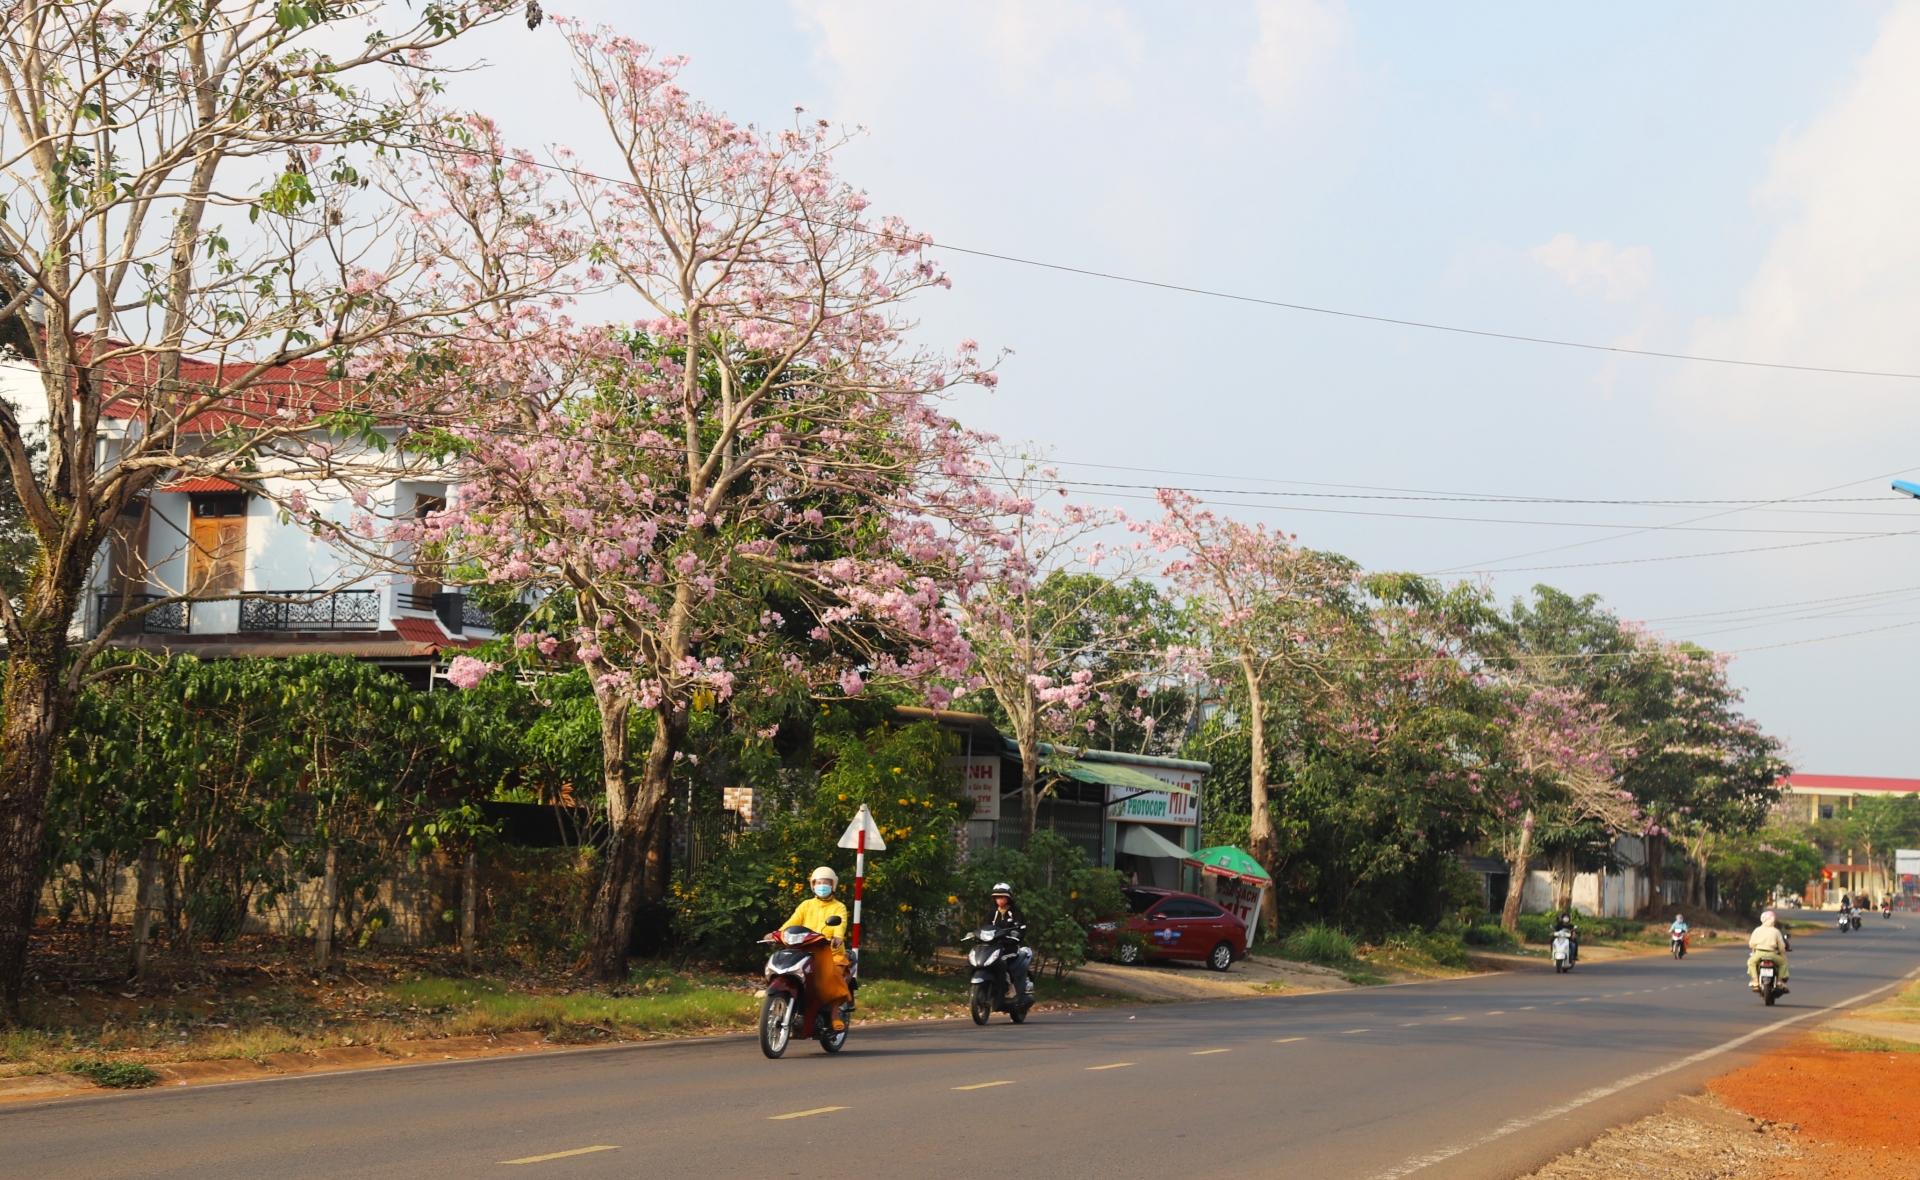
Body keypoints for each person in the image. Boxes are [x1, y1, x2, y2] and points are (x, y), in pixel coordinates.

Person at [781, 866, 853, 1031]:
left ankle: (834, 1015)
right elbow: (792, 922)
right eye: (819, 883)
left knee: (832, 975)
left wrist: (838, 937)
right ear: (813, 885)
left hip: (832, 953)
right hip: (805, 952)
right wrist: (777, 934)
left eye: (826, 883)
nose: (822, 886)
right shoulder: (806, 905)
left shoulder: (839, 907)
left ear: (833, 886)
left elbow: (840, 925)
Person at [985, 882, 1031, 1001]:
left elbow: (1021, 927)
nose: (1000, 900)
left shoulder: (1015, 911)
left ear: (1008, 898)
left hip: (1010, 948)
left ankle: (1011, 988)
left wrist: (1015, 936)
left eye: (1003, 897)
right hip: (993, 947)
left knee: (1002, 960)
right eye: (997, 897)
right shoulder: (992, 912)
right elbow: (985, 927)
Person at [1746, 909, 1791, 992]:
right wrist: (1782, 953)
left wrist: (1754, 950)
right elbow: (1781, 946)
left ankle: (1755, 980)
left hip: (1759, 953)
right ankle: (1779, 981)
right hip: (1772, 954)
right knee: (1783, 963)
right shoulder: (1776, 931)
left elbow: (1751, 943)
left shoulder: (1757, 930)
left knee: (1751, 962)